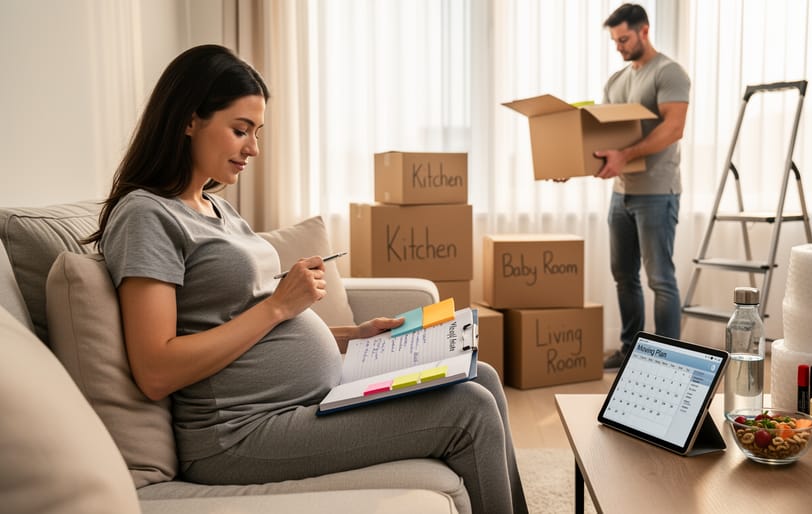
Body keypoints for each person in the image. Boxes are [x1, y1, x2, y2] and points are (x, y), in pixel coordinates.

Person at [84, 44, 528, 514]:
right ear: (188, 120)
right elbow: (156, 370)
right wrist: (278, 305)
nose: (253, 148)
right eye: (240, 130)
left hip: (300, 402)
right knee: (468, 411)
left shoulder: (217, 208)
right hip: (238, 433)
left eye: (256, 132)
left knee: (481, 376)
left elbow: (239, 322)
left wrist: (350, 337)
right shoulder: (147, 216)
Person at [593, 4, 690, 369]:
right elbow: (602, 138)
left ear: (644, 31)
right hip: (622, 193)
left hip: (657, 193)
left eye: (624, 39)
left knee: (660, 278)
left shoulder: (669, 73)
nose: (619, 46)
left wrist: (626, 153)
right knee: (623, 275)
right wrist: (570, 165)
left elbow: (673, 127)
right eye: (615, 41)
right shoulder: (616, 81)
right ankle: (631, 350)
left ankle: (669, 359)